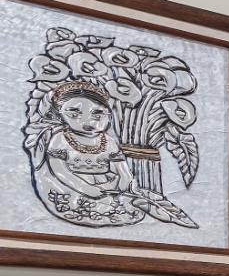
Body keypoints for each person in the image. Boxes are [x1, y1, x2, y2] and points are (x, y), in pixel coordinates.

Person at [26, 80, 146, 227]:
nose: (87, 121)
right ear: (60, 114)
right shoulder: (59, 139)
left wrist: (122, 184)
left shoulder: (109, 141)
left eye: (98, 114)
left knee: (121, 207)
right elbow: (59, 170)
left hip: (108, 185)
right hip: (73, 185)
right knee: (82, 207)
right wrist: (86, 188)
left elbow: (122, 169)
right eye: (74, 114)